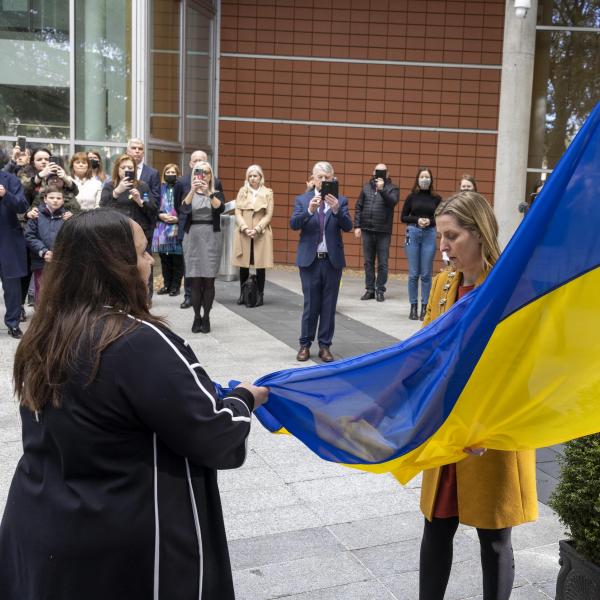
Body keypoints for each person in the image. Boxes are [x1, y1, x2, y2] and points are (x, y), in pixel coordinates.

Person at [0, 208, 268, 599]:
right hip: (122, 544)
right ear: (115, 265)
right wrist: (245, 398)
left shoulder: (42, 334)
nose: (149, 262)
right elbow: (216, 434)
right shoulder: (136, 340)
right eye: (143, 253)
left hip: (42, 525)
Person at [418, 191, 537, 600]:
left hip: (493, 433)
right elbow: (424, 351)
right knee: (436, 527)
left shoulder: (511, 289)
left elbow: (523, 370)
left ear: (480, 233)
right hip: (448, 430)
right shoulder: (441, 284)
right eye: (440, 237)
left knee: (494, 537)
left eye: (452, 236)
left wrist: (487, 426)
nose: (443, 247)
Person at [290, 161, 353, 363]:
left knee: (328, 305)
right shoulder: (303, 199)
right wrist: (309, 210)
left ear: (333, 179)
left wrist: (336, 210)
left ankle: (325, 346)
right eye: (320, 177)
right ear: (313, 178)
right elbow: (293, 224)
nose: (323, 181)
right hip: (310, 261)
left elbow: (348, 226)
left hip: (332, 261)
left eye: (327, 178)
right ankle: (304, 345)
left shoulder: (341, 201)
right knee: (310, 304)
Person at [175, 150, 225, 309]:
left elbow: (220, 208)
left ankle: (206, 313)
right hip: (192, 233)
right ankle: (192, 304)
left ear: (210, 174)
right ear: (191, 165)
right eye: (197, 168)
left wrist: (208, 192)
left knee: (209, 276)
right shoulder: (183, 183)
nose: (201, 174)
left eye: (205, 172)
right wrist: (192, 189)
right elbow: (181, 208)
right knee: (193, 273)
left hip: (211, 235)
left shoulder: (216, 186)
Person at [354, 163, 399, 302]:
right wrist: (357, 226)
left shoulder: (392, 188)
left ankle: (380, 290)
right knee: (368, 262)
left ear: (387, 174)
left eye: (383, 172)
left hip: (383, 231)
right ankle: (370, 289)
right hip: (367, 230)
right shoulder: (366, 187)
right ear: (373, 172)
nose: (379, 174)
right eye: (377, 171)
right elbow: (358, 206)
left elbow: (392, 202)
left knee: (383, 263)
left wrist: (382, 189)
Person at [401, 167, 442, 321]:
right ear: (418, 179)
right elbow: (403, 217)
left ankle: (425, 307)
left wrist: (429, 221)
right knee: (413, 274)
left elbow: (440, 217)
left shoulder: (436, 198)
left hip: (429, 234)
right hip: (413, 232)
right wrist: (417, 220)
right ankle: (413, 306)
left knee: (426, 274)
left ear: (431, 180)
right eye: (422, 176)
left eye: (427, 176)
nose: (425, 179)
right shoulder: (411, 197)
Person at [232, 164, 274, 306]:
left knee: (260, 266)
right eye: (249, 176)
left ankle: (260, 295)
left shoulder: (268, 192)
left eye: (255, 175)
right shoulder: (242, 191)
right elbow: (237, 211)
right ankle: (243, 294)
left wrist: (257, 229)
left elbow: (269, 214)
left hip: (260, 234)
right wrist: (244, 227)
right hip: (244, 233)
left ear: (261, 177)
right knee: (243, 265)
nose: (252, 178)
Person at [24, 185, 68, 303]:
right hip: (41, 261)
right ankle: (41, 318)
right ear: (45, 199)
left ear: (63, 200)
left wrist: (60, 252)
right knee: (42, 293)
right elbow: (29, 236)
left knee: (60, 292)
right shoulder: (36, 215)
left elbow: (70, 238)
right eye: (52, 197)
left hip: (61, 261)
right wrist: (43, 251)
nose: (55, 200)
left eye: (58, 198)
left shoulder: (67, 217)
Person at [0, 169, 28, 338]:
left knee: (12, 288)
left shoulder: (9, 179)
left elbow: (22, 205)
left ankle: (13, 324)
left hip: (7, 240)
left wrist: (6, 194)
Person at [152, 163, 184, 296]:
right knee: (164, 258)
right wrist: (159, 215)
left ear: (178, 174)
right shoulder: (160, 188)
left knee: (177, 258)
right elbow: (153, 205)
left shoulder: (181, 187)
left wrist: (178, 218)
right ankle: (167, 285)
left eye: (173, 172)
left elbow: (185, 206)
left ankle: (175, 286)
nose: (170, 174)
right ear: (164, 174)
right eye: (168, 172)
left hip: (176, 226)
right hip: (162, 226)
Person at [126, 138, 160, 205]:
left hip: (143, 211)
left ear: (143, 153)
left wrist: (141, 202)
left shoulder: (153, 173)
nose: (137, 151)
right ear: (127, 151)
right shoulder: (121, 170)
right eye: (134, 148)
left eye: (140, 149)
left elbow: (155, 200)